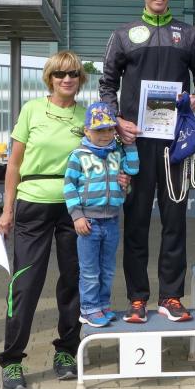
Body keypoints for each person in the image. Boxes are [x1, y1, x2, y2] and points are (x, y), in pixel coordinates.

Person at [100, 0, 195, 324]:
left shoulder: (188, 35)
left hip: (175, 145)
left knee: (175, 221)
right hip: (135, 144)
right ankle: (137, 298)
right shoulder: (123, 35)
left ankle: (171, 296)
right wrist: (117, 121)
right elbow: (107, 84)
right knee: (135, 222)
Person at [0, 51, 89, 389]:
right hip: (32, 204)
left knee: (73, 281)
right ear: (50, 78)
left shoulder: (87, 115)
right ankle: (12, 360)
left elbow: (100, 156)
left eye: (73, 73)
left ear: (80, 79)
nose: (67, 79)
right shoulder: (32, 110)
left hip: (74, 208)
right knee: (26, 284)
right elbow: (13, 165)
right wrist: (7, 210)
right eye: (60, 74)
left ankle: (66, 352)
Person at [64, 102, 139, 328]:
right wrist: (77, 216)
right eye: (99, 130)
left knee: (107, 270)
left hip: (112, 221)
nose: (105, 135)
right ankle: (88, 309)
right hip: (88, 222)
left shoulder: (116, 152)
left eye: (109, 129)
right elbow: (69, 186)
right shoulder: (78, 156)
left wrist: (130, 144)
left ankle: (103, 305)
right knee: (89, 271)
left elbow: (133, 169)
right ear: (87, 131)